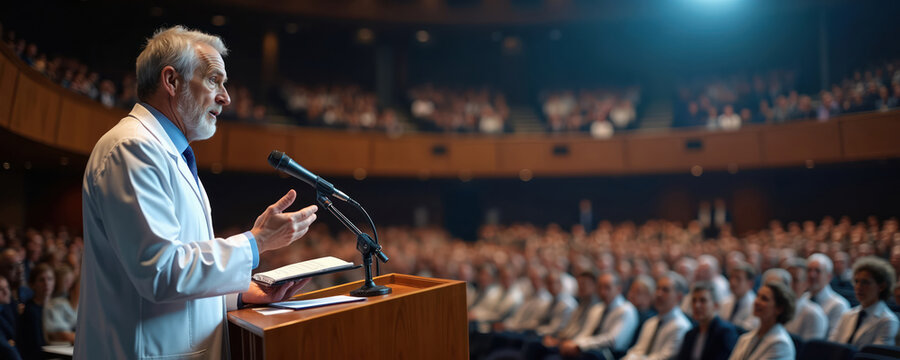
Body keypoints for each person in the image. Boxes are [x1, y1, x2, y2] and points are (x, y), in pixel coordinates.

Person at [75, 26, 320, 359]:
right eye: (213, 80)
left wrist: (240, 294)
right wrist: (256, 241)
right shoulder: (132, 148)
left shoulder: (167, 151)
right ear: (171, 81)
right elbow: (159, 272)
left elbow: (176, 275)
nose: (226, 96)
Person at [828, 257, 899, 347]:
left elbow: (875, 355)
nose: (858, 287)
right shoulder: (847, 315)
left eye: (865, 282)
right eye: (856, 281)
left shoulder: (888, 321)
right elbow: (832, 345)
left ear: (881, 286)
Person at [622, 272, 692, 360]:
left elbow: (664, 357)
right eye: (657, 288)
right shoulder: (650, 322)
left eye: (665, 290)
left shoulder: (681, 326)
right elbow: (638, 350)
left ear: (679, 297)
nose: (659, 294)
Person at [728, 282, 795, 360]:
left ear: (779, 308)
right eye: (757, 296)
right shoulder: (745, 338)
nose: (757, 302)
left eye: (764, 299)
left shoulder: (781, 344)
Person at [676, 282, 738, 360]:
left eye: (703, 300)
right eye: (694, 301)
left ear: (715, 305)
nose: (697, 305)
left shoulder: (725, 332)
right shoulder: (690, 334)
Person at [802, 253, 850, 336]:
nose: (812, 275)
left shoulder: (838, 305)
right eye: (809, 270)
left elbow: (832, 341)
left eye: (818, 271)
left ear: (829, 277)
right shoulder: (803, 299)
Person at [719, 262, 758, 331]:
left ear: (750, 284)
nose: (733, 282)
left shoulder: (755, 305)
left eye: (738, 279)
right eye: (731, 277)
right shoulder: (725, 302)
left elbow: (746, 330)